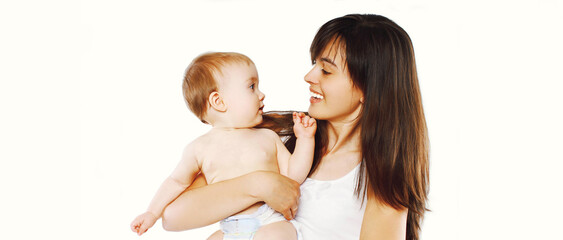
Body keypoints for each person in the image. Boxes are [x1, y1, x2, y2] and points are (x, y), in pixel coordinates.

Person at [162, 14, 429, 240]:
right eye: (314, 63)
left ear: (368, 88)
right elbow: (173, 216)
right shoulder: (275, 133)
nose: (309, 76)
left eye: (326, 71)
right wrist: (260, 183)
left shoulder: (382, 174)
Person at [130, 52, 317, 239]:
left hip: (269, 221)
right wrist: (152, 213)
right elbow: (176, 182)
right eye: (252, 87)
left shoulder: (267, 137)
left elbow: (293, 175)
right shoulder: (198, 148)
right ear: (219, 102)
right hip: (229, 228)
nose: (261, 94)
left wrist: (305, 140)